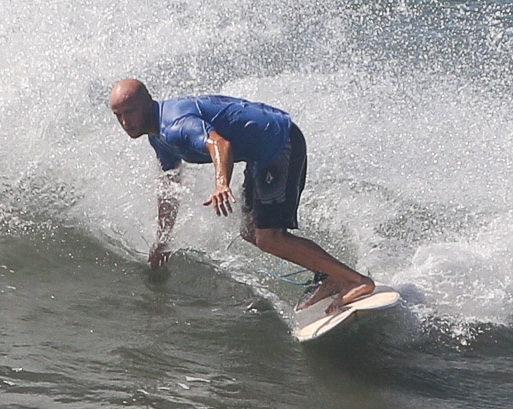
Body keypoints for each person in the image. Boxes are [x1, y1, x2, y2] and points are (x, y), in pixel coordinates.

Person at [109, 78, 374, 310]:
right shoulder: (158, 138)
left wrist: (221, 183)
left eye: (129, 112)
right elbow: (170, 186)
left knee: (270, 238)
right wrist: (163, 239)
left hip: (280, 143)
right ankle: (330, 276)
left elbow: (219, 144)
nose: (125, 122)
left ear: (147, 102)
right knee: (250, 232)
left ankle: (355, 281)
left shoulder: (175, 125)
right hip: (261, 153)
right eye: (118, 115)